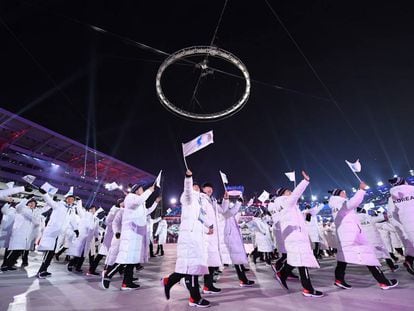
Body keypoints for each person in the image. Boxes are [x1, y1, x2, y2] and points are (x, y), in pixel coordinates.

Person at [328, 183, 398, 290]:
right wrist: (361, 190)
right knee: (369, 257)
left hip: (344, 237)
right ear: (338, 195)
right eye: (343, 193)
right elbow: (354, 202)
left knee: (343, 259)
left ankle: (339, 279)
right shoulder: (342, 203)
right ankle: (383, 282)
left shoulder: (334, 206)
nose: (345, 194)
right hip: (353, 236)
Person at [161, 170, 211, 308]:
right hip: (189, 237)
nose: (196, 188)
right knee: (193, 267)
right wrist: (188, 178)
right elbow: (188, 191)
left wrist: (209, 226)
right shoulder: (187, 197)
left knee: (188, 267)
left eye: (197, 186)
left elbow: (201, 218)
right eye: (194, 186)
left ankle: (169, 281)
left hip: (197, 236)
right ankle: (195, 298)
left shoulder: (199, 203)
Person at [273, 171, 323, 298]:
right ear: (283, 194)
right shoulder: (285, 202)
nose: (290, 192)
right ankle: (308, 289)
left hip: (297, 236)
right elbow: (295, 195)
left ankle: (282, 274)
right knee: (302, 261)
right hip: (295, 236)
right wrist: (305, 181)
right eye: (288, 191)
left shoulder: (291, 207)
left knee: (297, 260)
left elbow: (298, 218)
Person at [101, 182, 155, 290]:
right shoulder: (131, 198)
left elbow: (145, 211)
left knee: (132, 260)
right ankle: (108, 275)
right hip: (130, 233)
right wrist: (150, 190)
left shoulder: (139, 202)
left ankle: (127, 283)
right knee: (124, 259)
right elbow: (139, 201)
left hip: (137, 234)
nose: (143, 191)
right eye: (141, 189)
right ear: (136, 190)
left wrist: (155, 203)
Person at [36, 190, 80, 278]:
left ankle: (44, 270)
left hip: (59, 234)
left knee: (51, 253)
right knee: (49, 252)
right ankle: (41, 271)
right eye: (69, 198)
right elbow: (50, 201)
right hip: (52, 232)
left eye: (72, 199)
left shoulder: (71, 210)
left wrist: (76, 229)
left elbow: (72, 221)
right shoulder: (59, 205)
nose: (71, 200)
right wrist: (45, 194)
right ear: (66, 199)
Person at [218, 193, 255, 287]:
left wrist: (239, 202)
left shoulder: (228, 214)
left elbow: (233, 211)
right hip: (229, 238)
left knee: (236, 259)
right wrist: (236, 202)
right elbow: (231, 212)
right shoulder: (222, 213)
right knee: (235, 259)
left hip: (232, 237)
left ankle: (243, 279)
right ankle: (243, 280)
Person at [1, 197, 41, 270]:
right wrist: (26, 199)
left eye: (33, 203)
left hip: (26, 236)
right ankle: (5, 265)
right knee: (13, 250)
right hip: (18, 233)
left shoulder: (35, 213)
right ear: (27, 203)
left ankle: (10, 265)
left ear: (35, 205)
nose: (31, 204)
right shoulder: (23, 209)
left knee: (18, 252)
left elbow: (37, 222)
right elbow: (18, 207)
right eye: (30, 202)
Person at [388, 177, 414, 274]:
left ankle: (409, 260)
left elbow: (392, 214)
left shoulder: (392, 198)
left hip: (405, 225)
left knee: (411, 245)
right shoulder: (412, 190)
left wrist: (400, 225)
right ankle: (409, 261)